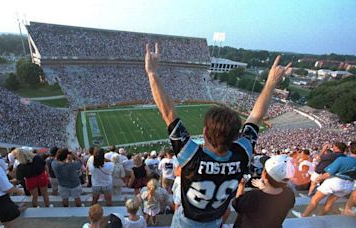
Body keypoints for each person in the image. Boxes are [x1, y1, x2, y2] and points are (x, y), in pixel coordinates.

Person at [144, 42, 290, 227]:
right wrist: (270, 83)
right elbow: (256, 116)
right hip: (215, 221)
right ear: (236, 135)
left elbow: (168, 113)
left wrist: (152, 72)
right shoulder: (242, 153)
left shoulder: (192, 158)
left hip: (188, 222)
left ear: (205, 132)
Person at [292, 142, 356, 217]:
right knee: (329, 203)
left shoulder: (342, 159)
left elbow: (328, 173)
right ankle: (319, 216)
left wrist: (319, 178)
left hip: (335, 182)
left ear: (350, 149)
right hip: (348, 186)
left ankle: (303, 215)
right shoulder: (343, 157)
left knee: (315, 199)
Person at [232, 155, 295, 228]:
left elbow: (237, 205)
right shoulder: (289, 194)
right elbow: (271, 199)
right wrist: (264, 187)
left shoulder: (253, 196)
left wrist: (241, 185)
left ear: (264, 174)